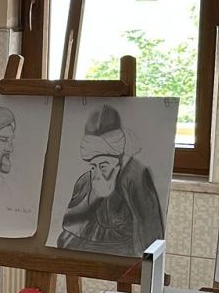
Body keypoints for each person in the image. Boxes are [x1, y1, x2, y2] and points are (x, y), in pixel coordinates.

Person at [56, 104, 164, 255]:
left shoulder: (136, 176)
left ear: (118, 161)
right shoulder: (87, 180)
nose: (96, 173)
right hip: (91, 246)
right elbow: (70, 227)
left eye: (103, 166)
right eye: (93, 166)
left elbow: (150, 234)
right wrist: (93, 196)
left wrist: (146, 263)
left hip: (124, 249)